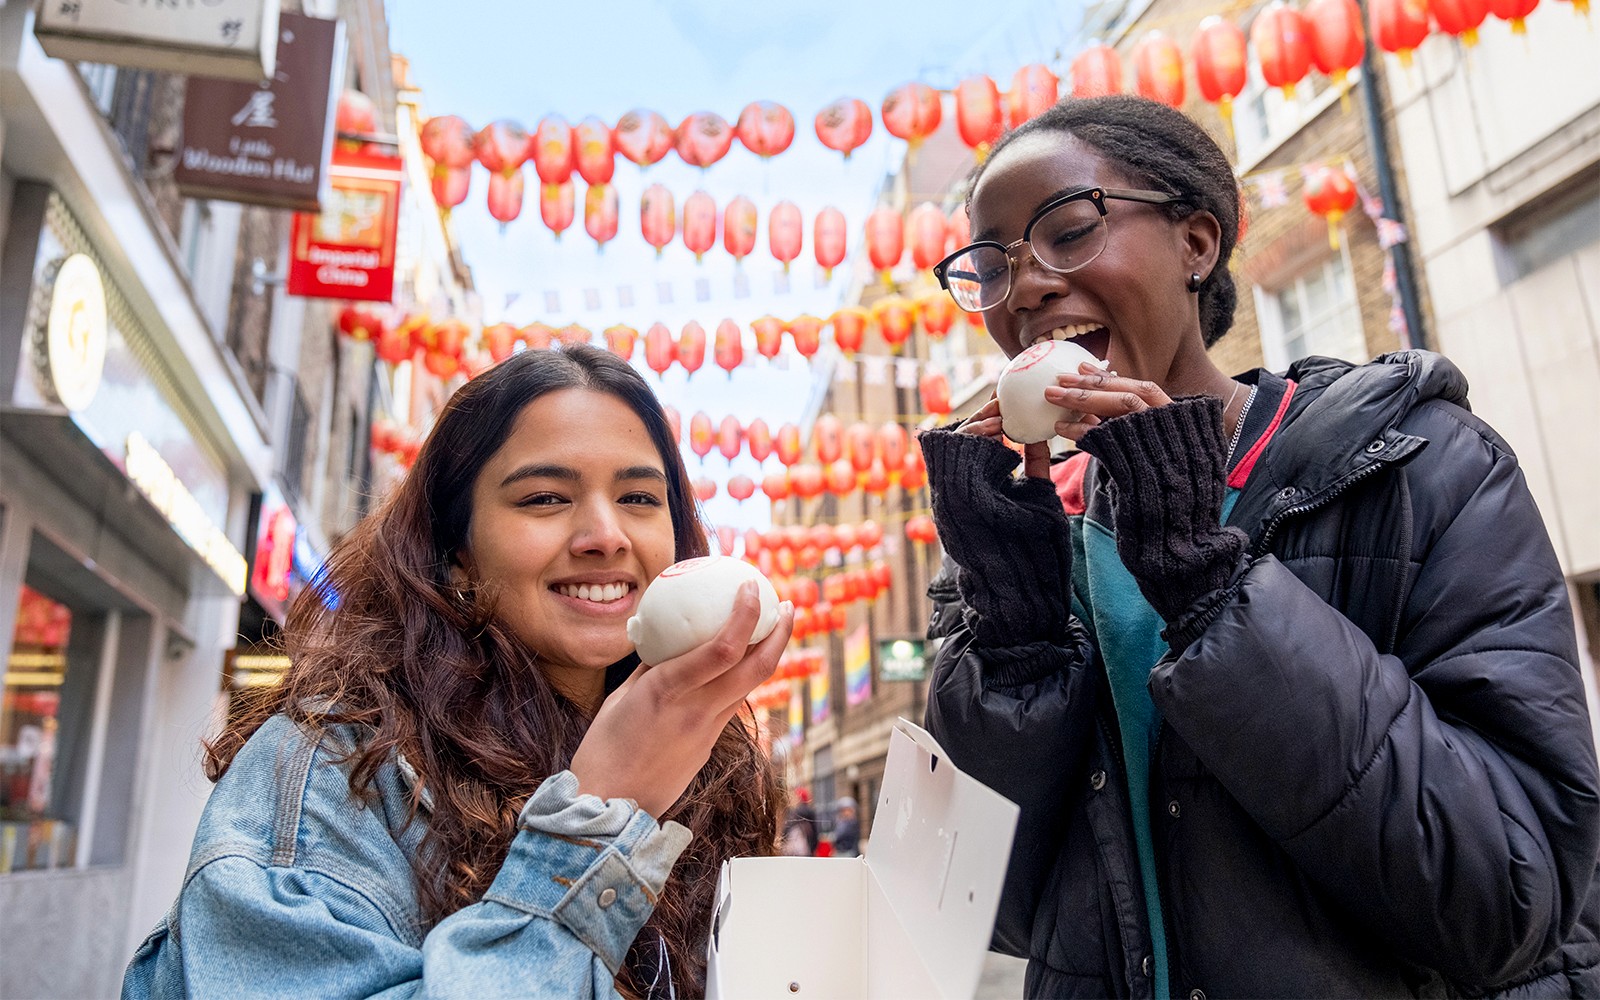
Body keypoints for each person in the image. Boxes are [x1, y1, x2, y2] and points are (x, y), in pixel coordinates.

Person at [919, 94, 1600, 998]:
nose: (1027, 287)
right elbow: (985, 909)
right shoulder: (1039, 540)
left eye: (1070, 228)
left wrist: (1208, 581)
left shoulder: (1421, 464)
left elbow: (1511, 899)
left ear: (1197, 243)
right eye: (992, 267)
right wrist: (1012, 631)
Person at [122, 345, 795, 999]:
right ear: (457, 555)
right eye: (544, 498)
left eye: (641, 499)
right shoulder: (332, 769)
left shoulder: (716, 773)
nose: (606, 535)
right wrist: (597, 818)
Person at [781, 786, 819, 856]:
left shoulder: (798, 812)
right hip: (807, 850)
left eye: (795, 796)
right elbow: (816, 833)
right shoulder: (809, 811)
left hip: (800, 851)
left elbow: (787, 829)